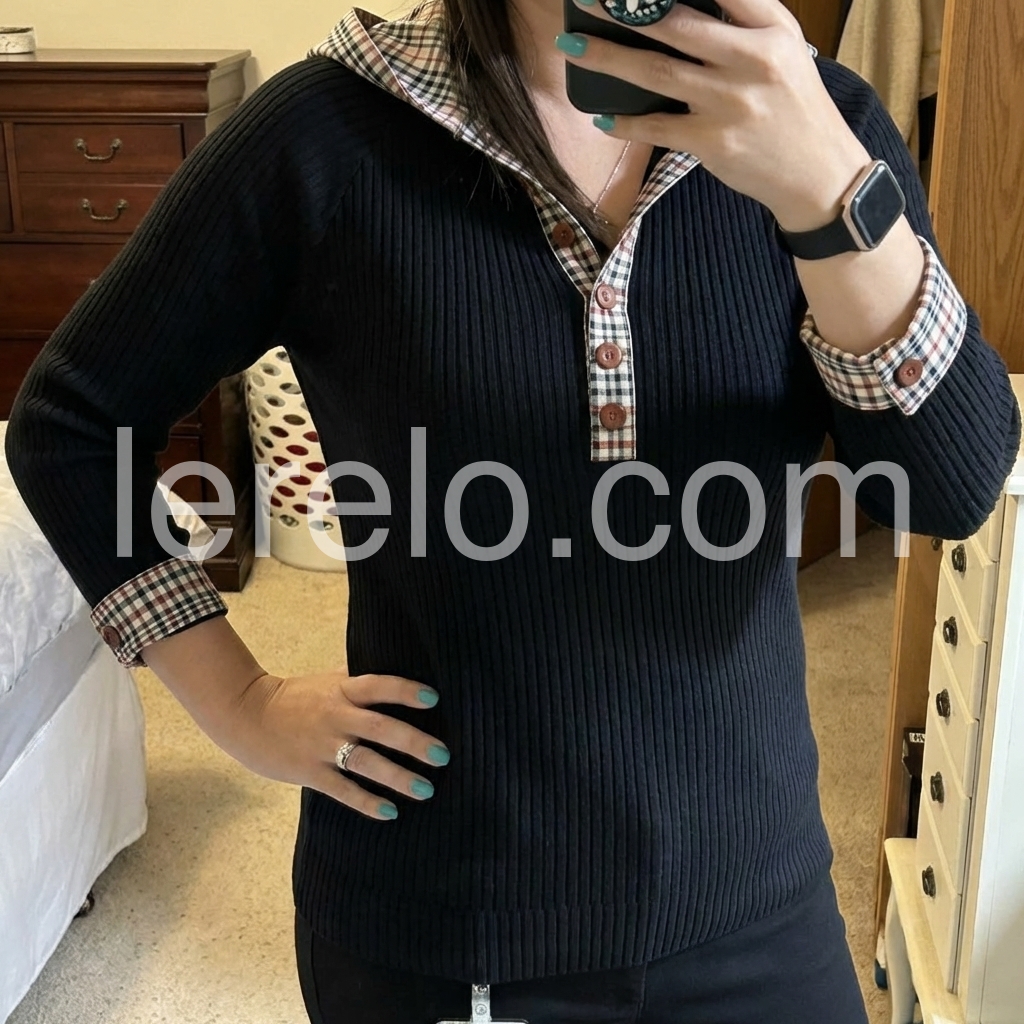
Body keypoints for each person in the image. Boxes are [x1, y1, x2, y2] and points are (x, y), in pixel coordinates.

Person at [5, 0, 1019, 1021]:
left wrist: (828, 193)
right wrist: (241, 704)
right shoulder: (326, 135)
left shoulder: (822, 122)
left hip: (755, 893)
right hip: (447, 926)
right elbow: (72, 422)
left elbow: (951, 486)